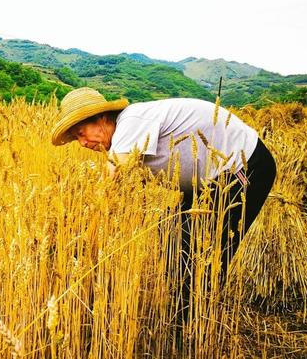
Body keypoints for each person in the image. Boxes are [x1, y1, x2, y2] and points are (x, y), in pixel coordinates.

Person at [50, 87, 276, 320]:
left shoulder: (130, 122)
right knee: (170, 230)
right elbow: (128, 194)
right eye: (77, 138)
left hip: (246, 166)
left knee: (201, 249)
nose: (82, 143)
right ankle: (184, 312)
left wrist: (82, 244)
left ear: (102, 118)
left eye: (81, 132)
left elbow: (107, 187)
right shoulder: (130, 134)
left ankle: (194, 326)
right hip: (212, 181)